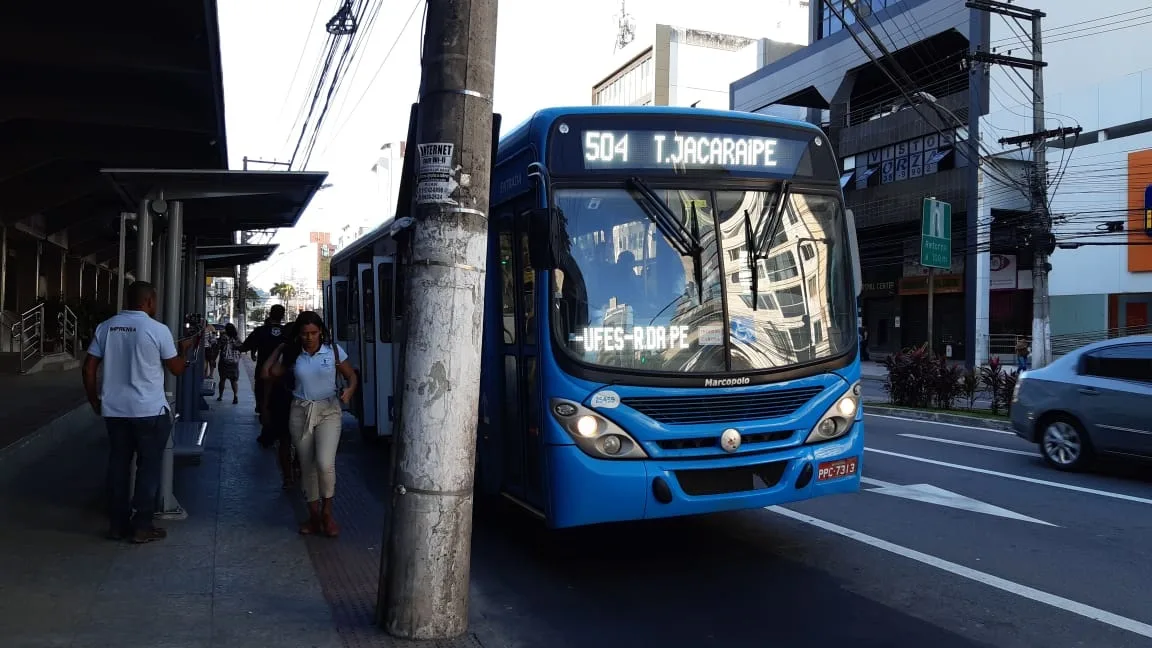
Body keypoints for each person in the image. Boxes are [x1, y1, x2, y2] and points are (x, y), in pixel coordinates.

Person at [82, 281, 194, 543]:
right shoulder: (158, 329)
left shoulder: (106, 326)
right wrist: (184, 352)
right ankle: (142, 525)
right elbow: (176, 369)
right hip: (149, 412)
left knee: (118, 465)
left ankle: (117, 525)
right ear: (149, 301)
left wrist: (94, 401)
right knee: (148, 468)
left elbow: (88, 368)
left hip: (115, 411)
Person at [265, 311, 357, 537]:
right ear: (298, 334)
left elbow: (351, 375)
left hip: (328, 411)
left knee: (325, 463)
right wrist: (281, 348)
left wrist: (350, 390)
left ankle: (327, 512)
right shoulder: (293, 355)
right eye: (304, 333)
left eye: (314, 333)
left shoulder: (333, 351)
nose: (309, 338)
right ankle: (313, 516)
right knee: (306, 465)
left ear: (321, 332)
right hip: (300, 411)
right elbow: (268, 373)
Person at [242, 305, 290, 425]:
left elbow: (245, 346)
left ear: (269, 314)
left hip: (263, 372)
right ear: (283, 316)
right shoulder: (287, 332)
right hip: (282, 373)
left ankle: (265, 426)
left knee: (263, 398)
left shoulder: (260, 331)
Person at [215, 323, 243, 404]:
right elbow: (241, 348)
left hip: (224, 362)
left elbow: (218, 347)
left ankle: (220, 396)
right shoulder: (237, 338)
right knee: (234, 381)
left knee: (222, 380)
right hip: (234, 362)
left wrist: (214, 359)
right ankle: (235, 396)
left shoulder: (223, 338)